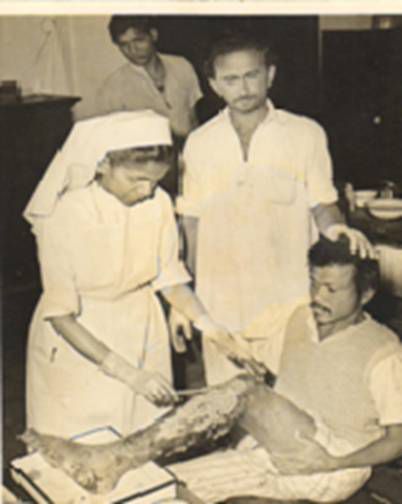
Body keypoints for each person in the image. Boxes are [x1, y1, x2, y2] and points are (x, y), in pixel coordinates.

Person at [174, 31, 376, 385]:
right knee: (227, 398)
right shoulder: (199, 143)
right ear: (214, 85)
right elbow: (191, 224)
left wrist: (337, 229)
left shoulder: (305, 134)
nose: (243, 88)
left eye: (252, 75)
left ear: (269, 75)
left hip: (288, 297)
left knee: (292, 393)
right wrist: (186, 298)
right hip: (221, 300)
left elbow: (323, 203)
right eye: (231, 79)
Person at [23, 110, 239, 439]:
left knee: (142, 439)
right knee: (85, 442)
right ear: (102, 164)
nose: (147, 190)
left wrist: (211, 328)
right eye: (135, 180)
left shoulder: (159, 204)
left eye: (155, 180)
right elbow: (61, 316)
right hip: (81, 339)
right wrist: (129, 374)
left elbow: (169, 277)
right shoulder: (65, 216)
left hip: (142, 330)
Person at [168, 236, 402, 502]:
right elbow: (255, 357)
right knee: (170, 485)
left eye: (331, 289)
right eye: (314, 283)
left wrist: (335, 463)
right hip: (279, 444)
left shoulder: (384, 352)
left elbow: (397, 440)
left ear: (366, 294)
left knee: (246, 394)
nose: (318, 296)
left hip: (335, 460)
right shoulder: (299, 318)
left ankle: (134, 452)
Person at [96, 16, 202, 142]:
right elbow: (115, 138)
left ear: (153, 35)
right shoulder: (113, 86)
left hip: (190, 147)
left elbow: (193, 118)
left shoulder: (182, 65)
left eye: (139, 40)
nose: (133, 50)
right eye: (124, 45)